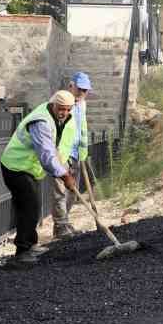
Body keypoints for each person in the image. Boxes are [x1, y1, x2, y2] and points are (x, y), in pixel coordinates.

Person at [0, 90, 79, 264]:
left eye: (67, 109)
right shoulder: (41, 121)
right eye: (61, 108)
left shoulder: (54, 117)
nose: (63, 112)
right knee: (28, 207)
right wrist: (64, 175)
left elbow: (55, 147)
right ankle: (22, 251)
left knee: (33, 206)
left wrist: (65, 169)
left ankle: (31, 244)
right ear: (53, 104)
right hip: (16, 166)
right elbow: (46, 155)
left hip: (28, 169)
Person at [50, 72, 92, 239]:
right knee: (60, 191)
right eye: (80, 89)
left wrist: (83, 151)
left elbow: (82, 128)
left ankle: (64, 223)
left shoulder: (82, 104)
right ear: (71, 86)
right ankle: (60, 227)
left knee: (72, 191)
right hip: (61, 154)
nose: (82, 93)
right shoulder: (60, 103)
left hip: (76, 153)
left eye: (85, 90)